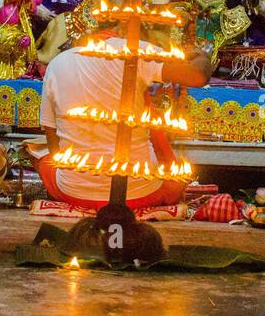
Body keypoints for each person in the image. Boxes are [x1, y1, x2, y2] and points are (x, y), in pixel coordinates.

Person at [38, 17, 212, 210]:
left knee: (43, 160)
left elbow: (53, 144)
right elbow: (197, 76)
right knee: (175, 176)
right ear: (124, 25)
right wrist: (201, 56)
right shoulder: (135, 51)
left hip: (73, 192)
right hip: (141, 193)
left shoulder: (56, 63)